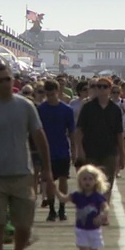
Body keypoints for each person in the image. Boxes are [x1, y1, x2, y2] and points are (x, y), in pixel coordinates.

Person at [0, 63, 53, 250]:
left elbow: (39, 137)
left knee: (24, 225)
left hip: (22, 174)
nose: (5, 83)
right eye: (0, 81)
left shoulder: (26, 106)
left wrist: (47, 169)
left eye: (8, 79)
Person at [75, 77, 125, 203]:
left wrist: (123, 154)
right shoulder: (88, 108)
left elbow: (119, 133)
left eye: (105, 86)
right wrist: (79, 150)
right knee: (91, 182)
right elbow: (79, 130)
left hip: (109, 151)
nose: (101, 89)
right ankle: (93, 208)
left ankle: (104, 210)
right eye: (99, 86)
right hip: (90, 151)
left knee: (107, 182)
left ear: (110, 89)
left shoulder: (115, 109)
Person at [38, 80, 76, 222]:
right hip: (46, 151)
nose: (50, 97)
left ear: (58, 92)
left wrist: (74, 150)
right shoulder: (41, 109)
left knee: (63, 179)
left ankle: (62, 208)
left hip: (62, 149)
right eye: (47, 95)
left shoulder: (66, 110)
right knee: (49, 181)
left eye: (52, 94)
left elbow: (71, 132)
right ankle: (52, 209)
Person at [52, 164, 109, 250]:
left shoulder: (97, 196)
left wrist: (102, 215)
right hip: (81, 229)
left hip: (94, 229)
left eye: (90, 179)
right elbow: (63, 199)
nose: (87, 182)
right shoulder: (77, 195)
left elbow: (105, 207)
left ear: (95, 181)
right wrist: (56, 190)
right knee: (84, 249)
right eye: (84, 179)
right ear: (80, 181)